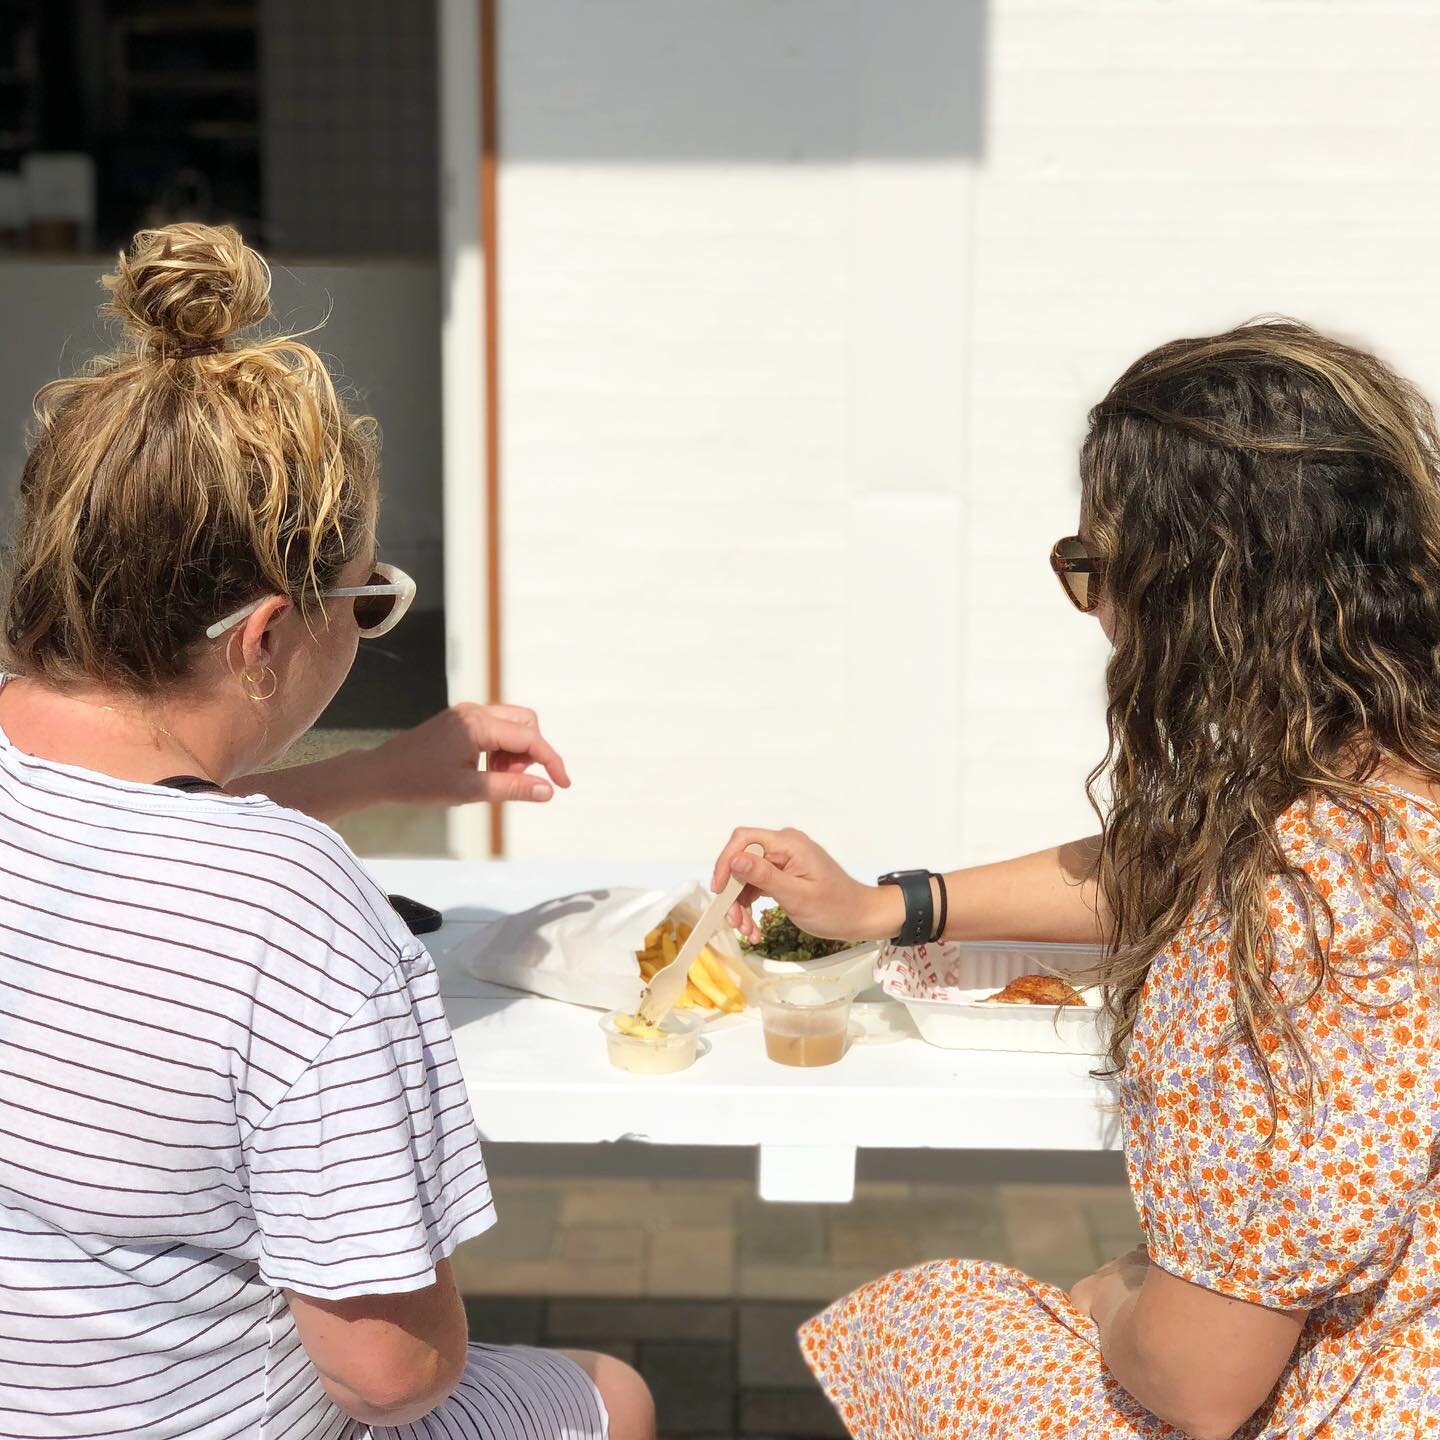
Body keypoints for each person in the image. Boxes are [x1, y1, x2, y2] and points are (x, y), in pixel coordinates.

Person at [713, 319, 1440, 1439]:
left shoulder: (1313, 895)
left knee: (930, 1323)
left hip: (1348, 1400)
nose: (1094, 608)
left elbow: (1199, 1383)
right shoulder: (1383, 782)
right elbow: (1186, 868)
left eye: (1092, 565)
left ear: (1203, 590)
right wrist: (884, 907)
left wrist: (1111, 1296)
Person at [0, 223, 654, 1440]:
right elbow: (387, 1373)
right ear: (263, 637)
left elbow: (128, 845)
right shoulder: (290, 907)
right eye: (366, 599)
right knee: (608, 1396)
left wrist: (376, 775)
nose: (367, 632)